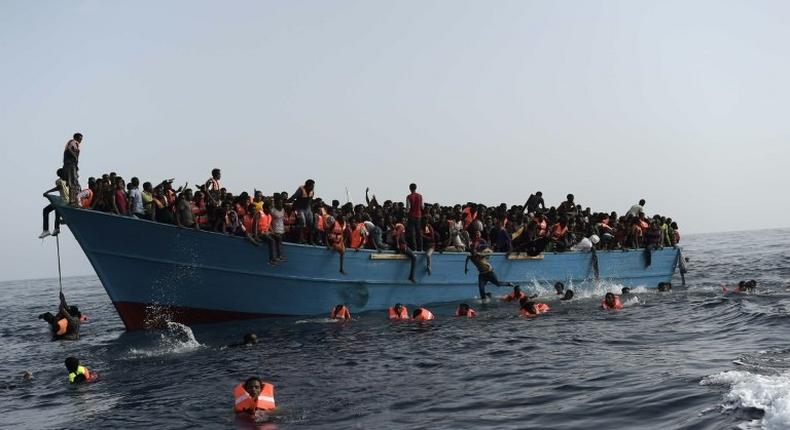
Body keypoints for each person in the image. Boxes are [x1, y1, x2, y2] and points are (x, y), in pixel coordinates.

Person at [39, 168, 70, 238]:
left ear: (59, 175)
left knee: (46, 210)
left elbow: (58, 188)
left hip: (62, 201)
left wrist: (48, 192)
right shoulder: (68, 181)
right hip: (67, 202)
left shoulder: (59, 181)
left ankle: (46, 230)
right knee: (57, 211)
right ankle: (56, 228)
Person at [289, 179, 315, 244]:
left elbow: (310, 200)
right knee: (303, 223)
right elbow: (294, 197)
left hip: (308, 208)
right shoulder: (301, 189)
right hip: (300, 208)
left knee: (311, 223)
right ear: (307, 185)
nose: (313, 187)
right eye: (312, 185)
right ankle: (301, 238)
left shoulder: (312, 191)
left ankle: (310, 240)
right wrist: (287, 202)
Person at [62, 133, 83, 204]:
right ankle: (72, 200)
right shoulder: (73, 142)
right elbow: (69, 149)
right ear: (77, 138)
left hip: (72, 165)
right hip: (70, 164)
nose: (81, 140)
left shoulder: (76, 144)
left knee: (73, 182)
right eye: (80, 138)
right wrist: (75, 157)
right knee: (72, 182)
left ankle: (73, 199)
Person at [405, 183, 423, 251]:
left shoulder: (409, 197)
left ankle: (414, 248)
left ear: (410, 188)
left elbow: (408, 208)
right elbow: (422, 206)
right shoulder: (420, 196)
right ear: (416, 188)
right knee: (419, 233)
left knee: (412, 233)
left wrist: (406, 213)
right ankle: (420, 248)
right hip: (418, 216)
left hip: (411, 216)